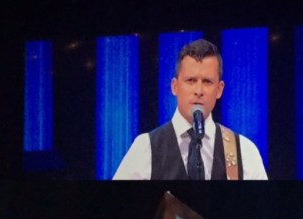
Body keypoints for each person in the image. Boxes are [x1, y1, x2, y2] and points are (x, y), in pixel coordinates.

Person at [112, 38, 268, 180]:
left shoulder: (244, 152)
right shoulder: (145, 148)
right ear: (174, 86)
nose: (198, 91)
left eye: (207, 81)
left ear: (219, 89)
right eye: (191, 80)